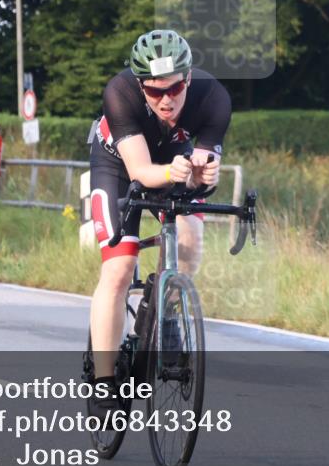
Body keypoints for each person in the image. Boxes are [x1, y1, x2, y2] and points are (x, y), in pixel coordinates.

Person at [87, 29, 231, 409]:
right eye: (154, 92)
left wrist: (205, 176)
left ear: (188, 78)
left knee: (189, 242)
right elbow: (141, 172)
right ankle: (104, 381)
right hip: (119, 167)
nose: (166, 101)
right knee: (119, 268)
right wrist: (176, 173)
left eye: (174, 89)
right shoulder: (120, 93)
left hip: (174, 163)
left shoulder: (213, 96)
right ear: (139, 85)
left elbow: (202, 175)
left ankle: (167, 318)